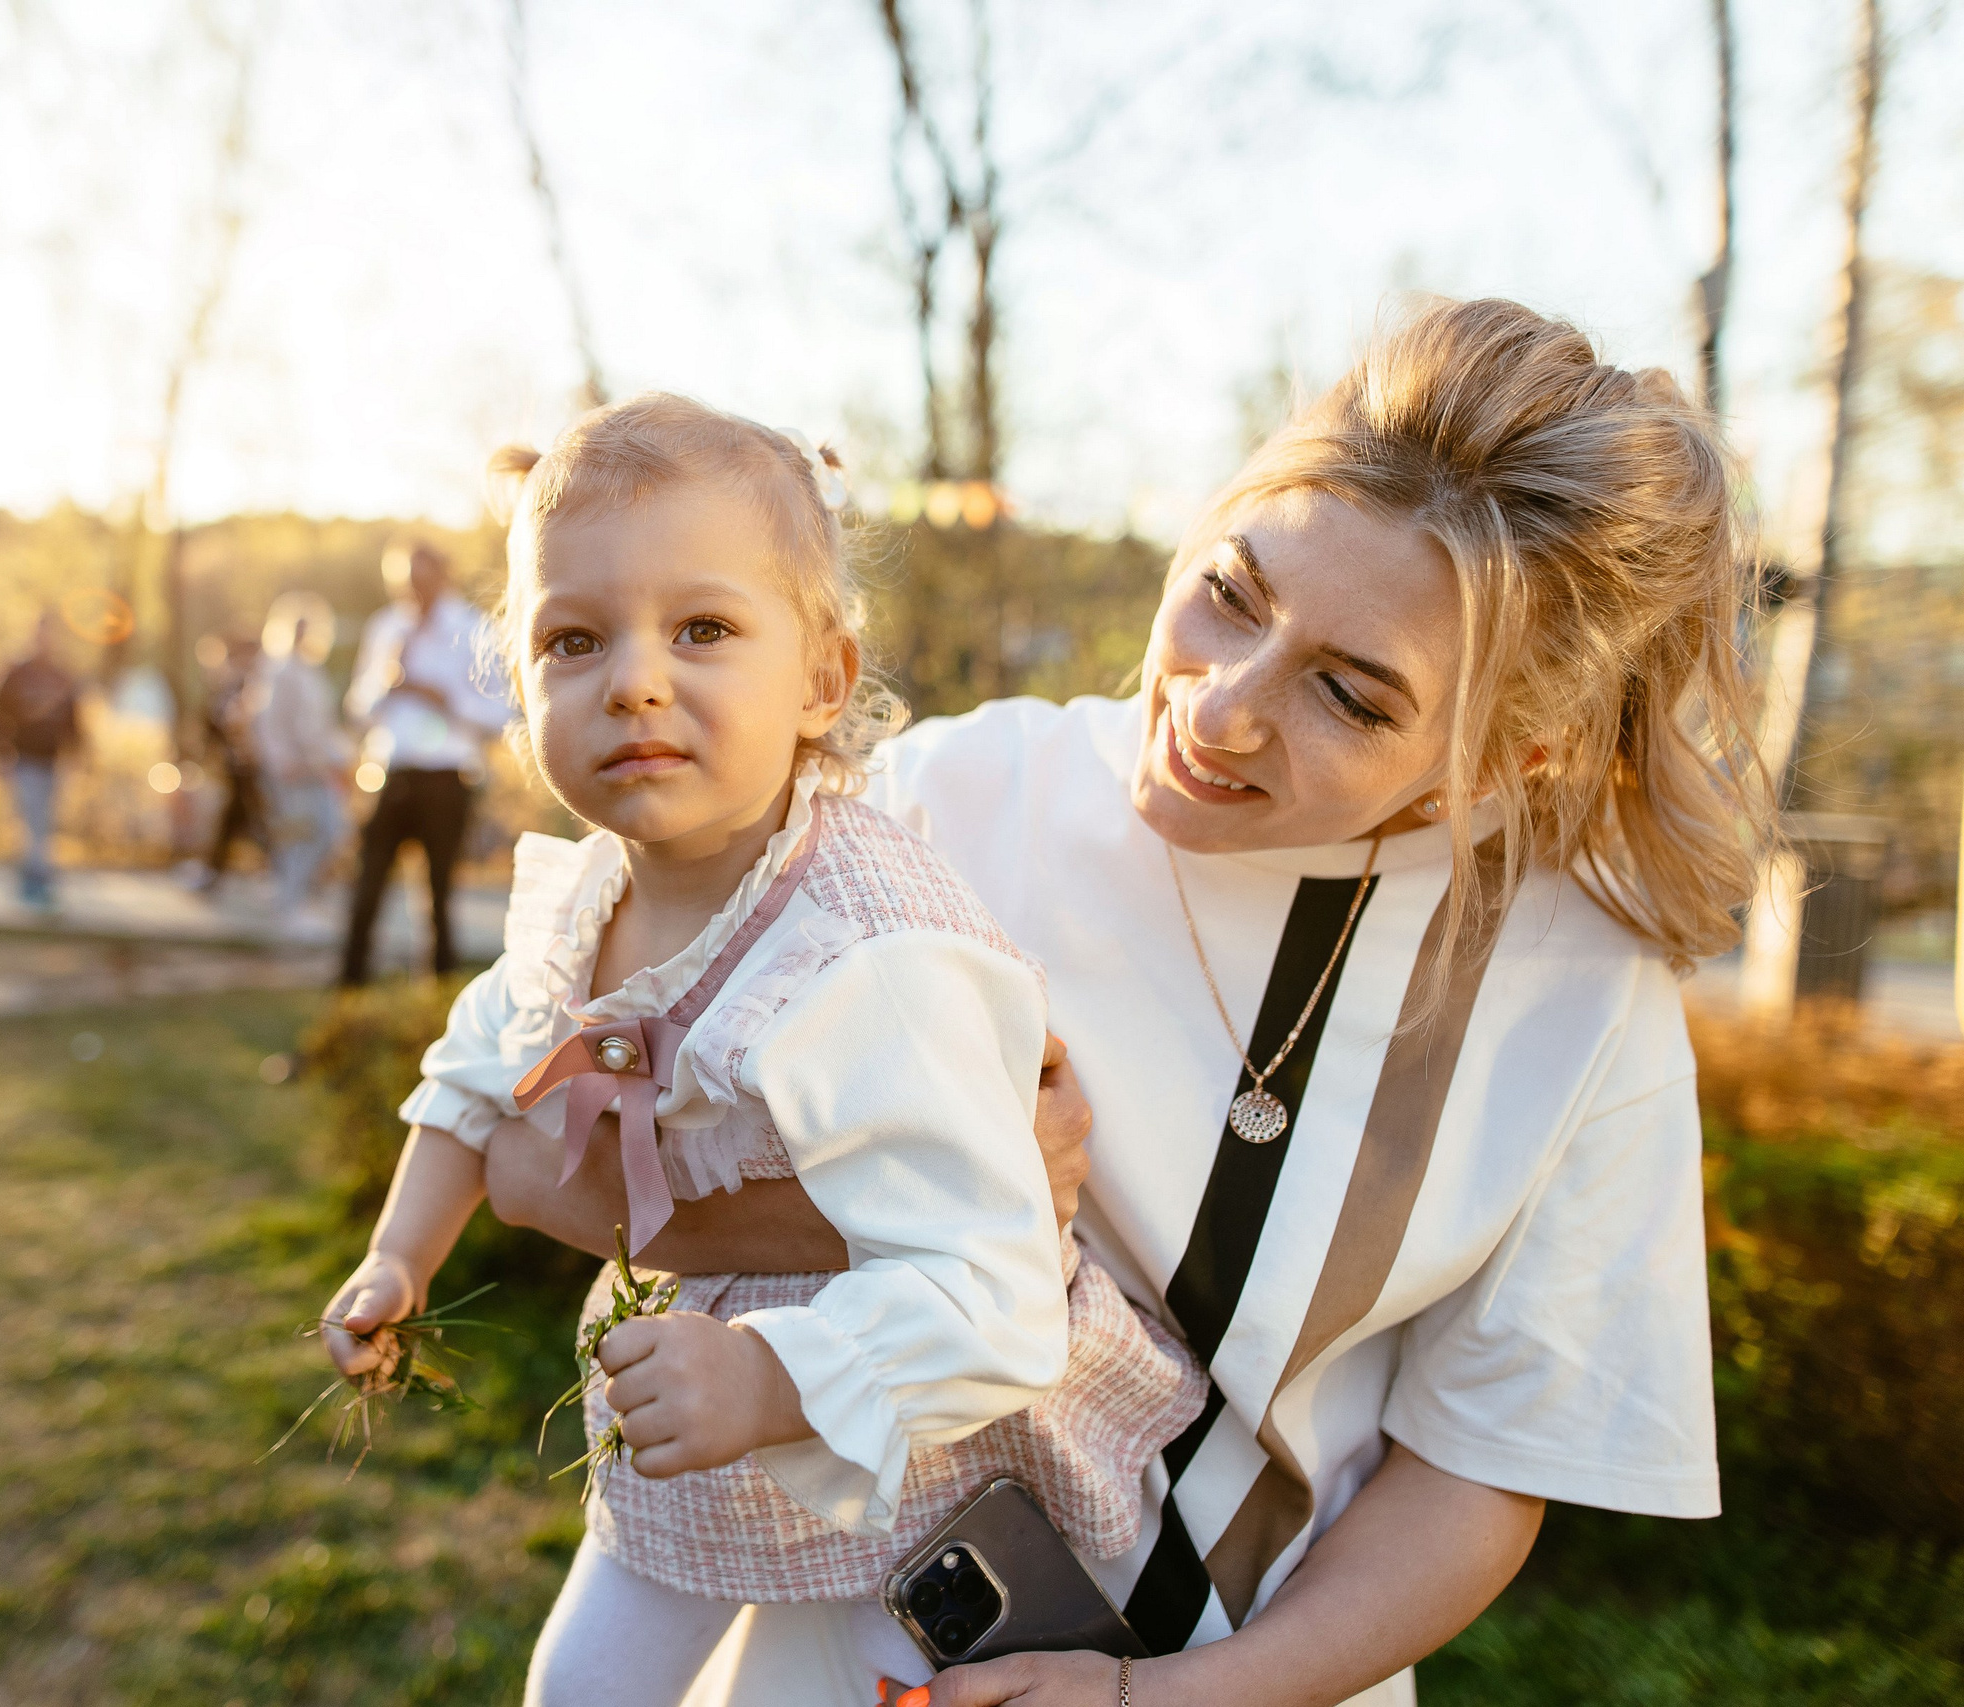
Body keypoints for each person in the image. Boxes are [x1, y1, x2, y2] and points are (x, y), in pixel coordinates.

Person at [485, 299, 1766, 1706]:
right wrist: (937, 1217)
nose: (1219, 707)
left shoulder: (1583, 1000)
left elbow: (1477, 1476)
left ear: (1502, 755)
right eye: (1231, 591)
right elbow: (553, 1171)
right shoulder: (934, 805)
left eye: (1349, 692)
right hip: (824, 1634)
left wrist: (1156, 1701)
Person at [316, 396, 1203, 1707]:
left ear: (823, 679)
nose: (635, 677)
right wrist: (401, 1250)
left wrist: (770, 1372)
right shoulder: (591, 893)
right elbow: (477, 1063)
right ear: (521, 690)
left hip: (917, 1418)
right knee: (579, 1686)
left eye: (704, 627)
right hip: (693, 1383)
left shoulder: (865, 951)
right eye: (574, 637)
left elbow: (997, 1276)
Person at [337, 537, 513, 983]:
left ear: (443, 573)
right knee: (367, 886)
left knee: (439, 892)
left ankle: (438, 987)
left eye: (421, 577)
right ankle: (349, 985)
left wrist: (445, 699)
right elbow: (357, 709)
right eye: (404, 581)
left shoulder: (472, 629)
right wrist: (385, 683)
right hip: (389, 773)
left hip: (447, 779)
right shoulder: (385, 628)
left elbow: (502, 713)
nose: (413, 589)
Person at [253, 590, 352, 905]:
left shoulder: (312, 671)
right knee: (299, 837)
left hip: (317, 768)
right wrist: (281, 762)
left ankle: (299, 898)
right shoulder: (280, 671)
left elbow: (321, 726)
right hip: (293, 771)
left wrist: (342, 755)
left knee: (330, 830)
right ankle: (289, 905)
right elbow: (269, 723)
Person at [0, 612, 86, 908]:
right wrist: (0, 754)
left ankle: (39, 876)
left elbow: (74, 719)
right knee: (32, 820)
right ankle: (35, 879)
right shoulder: (17, 673)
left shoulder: (62, 674)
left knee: (46, 822)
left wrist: (78, 754)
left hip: (53, 760)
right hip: (25, 759)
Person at [197, 633, 270, 893]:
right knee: (245, 821)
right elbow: (214, 725)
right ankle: (214, 873)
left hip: (252, 766)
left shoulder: (257, 686)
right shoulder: (230, 686)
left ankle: (214, 873)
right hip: (238, 767)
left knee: (253, 821)